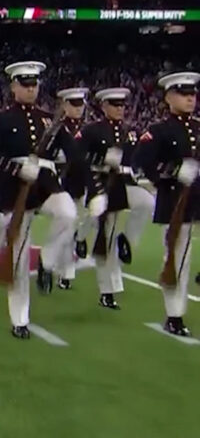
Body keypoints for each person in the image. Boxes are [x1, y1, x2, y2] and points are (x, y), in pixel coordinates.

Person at [0, 61, 103, 339]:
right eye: (25, 84)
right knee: (19, 257)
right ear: (13, 87)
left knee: (68, 213)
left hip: (45, 182)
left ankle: (47, 261)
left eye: (34, 84)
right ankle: (19, 319)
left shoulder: (49, 121)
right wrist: (15, 169)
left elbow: (76, 157)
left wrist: (95, 191)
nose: (31, 89)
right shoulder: (0, 120)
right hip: (14, 187)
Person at [133, 71, 200, 337]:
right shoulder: (159, 131)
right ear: (170, 97)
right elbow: (141, 164)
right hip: (176, 200)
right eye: (184, 94)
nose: (190, 99)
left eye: (192, 94)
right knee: (178, 259)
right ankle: (174, 314)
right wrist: (172, 172)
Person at [78, 87, 155, 310]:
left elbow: (139, 157)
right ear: (104, 106)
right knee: (106, 236)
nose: (120, 109)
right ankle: (107, 291)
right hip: (102, 182)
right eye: (115, 105)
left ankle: (127, 240)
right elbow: (79, 156)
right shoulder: (93, 130)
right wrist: (102, 160)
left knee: (147, 202)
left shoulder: (130, 131)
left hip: (124, 182)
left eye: (122, 105)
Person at [53, 87, 90, 290]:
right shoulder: (57, 128)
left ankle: (81, 237)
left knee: (92, 217)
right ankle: (66, 273)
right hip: (65, 180)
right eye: (74, 105)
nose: (78, 109)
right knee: (67, 226)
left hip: (86, 180)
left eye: (81, 105)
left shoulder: (88, 128)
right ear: (65, 105)